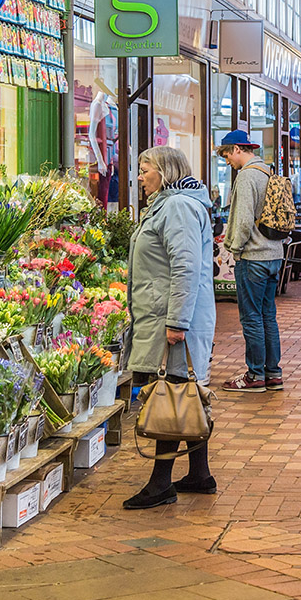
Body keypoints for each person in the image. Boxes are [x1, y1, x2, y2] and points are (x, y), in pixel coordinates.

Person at [124, 146, 218, 509]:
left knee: (172, 391)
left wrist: (177, 321)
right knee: (187, 392)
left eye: (145, 169)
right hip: (164, 312)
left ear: (164, 171)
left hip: (175, 317)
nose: (140, 177)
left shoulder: (177, 207)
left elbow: (186, 267)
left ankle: (160, 483)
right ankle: (199, 474)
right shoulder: (171, 203)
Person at [216, 130, 285, 393]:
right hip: (274, 254)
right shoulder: (269, 172)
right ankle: (273, 373)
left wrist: (232, 247)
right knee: (268, 316)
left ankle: (255, 376)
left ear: (236, 149)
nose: (227, 162)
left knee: (251, 318)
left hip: (253, 257)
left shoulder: (246, 177)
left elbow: (243, 220)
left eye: (226, 155)